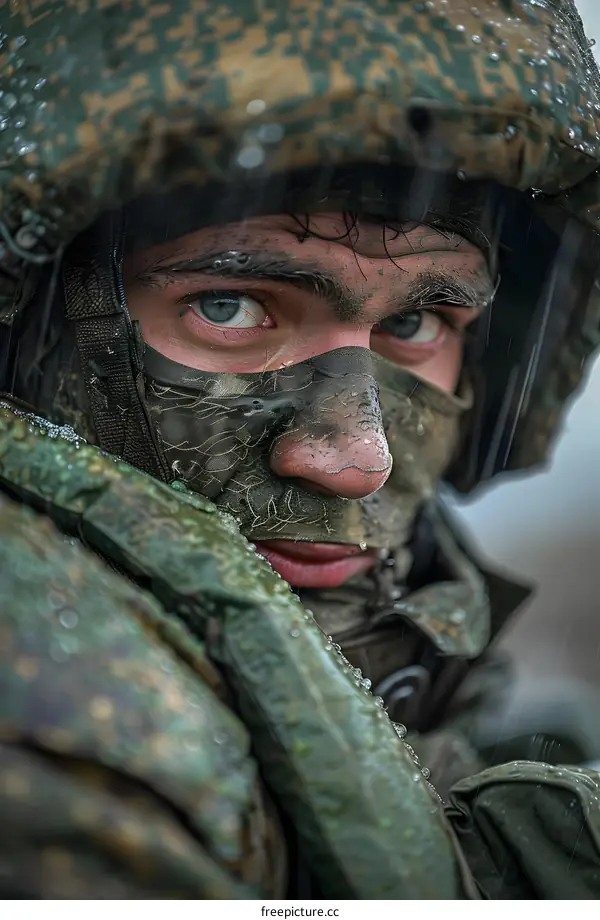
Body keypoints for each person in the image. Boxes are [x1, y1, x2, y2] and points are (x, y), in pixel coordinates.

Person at [1, 0, 600, 899]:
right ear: (28, 336)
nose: (356, 458)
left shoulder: (451, 680)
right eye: (229, 306)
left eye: (413, 321)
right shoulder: (66, 739)